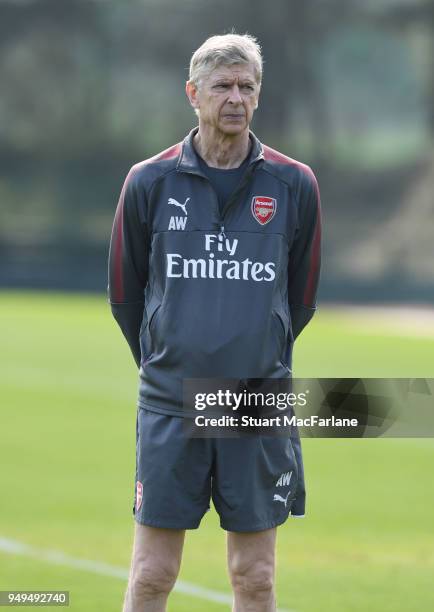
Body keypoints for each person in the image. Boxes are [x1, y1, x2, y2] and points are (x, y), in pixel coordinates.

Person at [108, 33, 321, 612]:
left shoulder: (293, 183)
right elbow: (126, 297)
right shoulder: (149, 181)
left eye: (246, 86)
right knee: (152, 574)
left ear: (259, 95)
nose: (235, 97)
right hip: (171, 403)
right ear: (193, 94)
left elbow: (299, 300)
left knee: (255, 577)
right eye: (222, 86)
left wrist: (253, 354)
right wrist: (172, 358)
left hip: (255, 402)